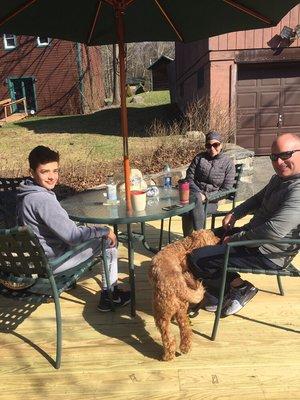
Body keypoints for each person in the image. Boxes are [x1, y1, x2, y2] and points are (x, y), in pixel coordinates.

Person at [188, 132, 300, 317]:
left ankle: (239, 288)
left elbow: (272, 232)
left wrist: (234, 239)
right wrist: (235, 213)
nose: (279, 162)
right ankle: (218, 295)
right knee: (203, 239)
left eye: (285, 155)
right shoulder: (280, 179)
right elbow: (257, 199)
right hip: (254, 237)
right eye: (274, 157)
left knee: (196, 258)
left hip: (269, 252)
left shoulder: (297, 190)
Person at [17, 145, 130, 312]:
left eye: (55, 171)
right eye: (45, 171)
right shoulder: (42, 200)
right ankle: (109, 295)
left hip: (40, 258)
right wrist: (104, 230)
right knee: (109, 242)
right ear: (32, 172)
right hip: (53, 262)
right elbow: (73, 237)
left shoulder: (26, 193)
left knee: (88, 230)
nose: (52, 177)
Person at [182, 131, 235, 236]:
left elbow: (226, 190)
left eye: (215, 145)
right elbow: (189, 178)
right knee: (194, 200)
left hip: (211, 201)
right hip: (194, 195)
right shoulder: (199, 158)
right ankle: (198, 238)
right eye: (208, 145)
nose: (212, 148)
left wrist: (206, 196)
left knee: (188, 212)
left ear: (221, 145)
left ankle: (195, 238)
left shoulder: (228, 163)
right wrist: (198, 193)